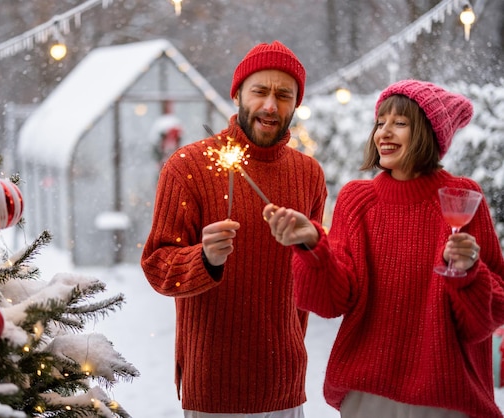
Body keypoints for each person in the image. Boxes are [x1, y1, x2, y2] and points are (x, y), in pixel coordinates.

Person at [263, 79, 504, 417]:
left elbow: (487, 317)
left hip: (445, 397)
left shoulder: (461, 198)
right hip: (368, 395)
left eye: (400, 123)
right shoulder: (357, 200)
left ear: (428, 133)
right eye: (380, 123)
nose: (384, 133)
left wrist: (467, 272)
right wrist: (312, 245)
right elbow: (333, 301)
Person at [141, 41, 327, 417]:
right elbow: (157, 266)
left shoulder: (309, 174)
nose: (271, 106)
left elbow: (317, 281)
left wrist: (311, 244)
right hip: (213, 388)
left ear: (295, 104)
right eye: (259, 91)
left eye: (283, 95)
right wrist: (204, 258)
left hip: (285, 386)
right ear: (238, 93)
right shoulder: (187, 167)